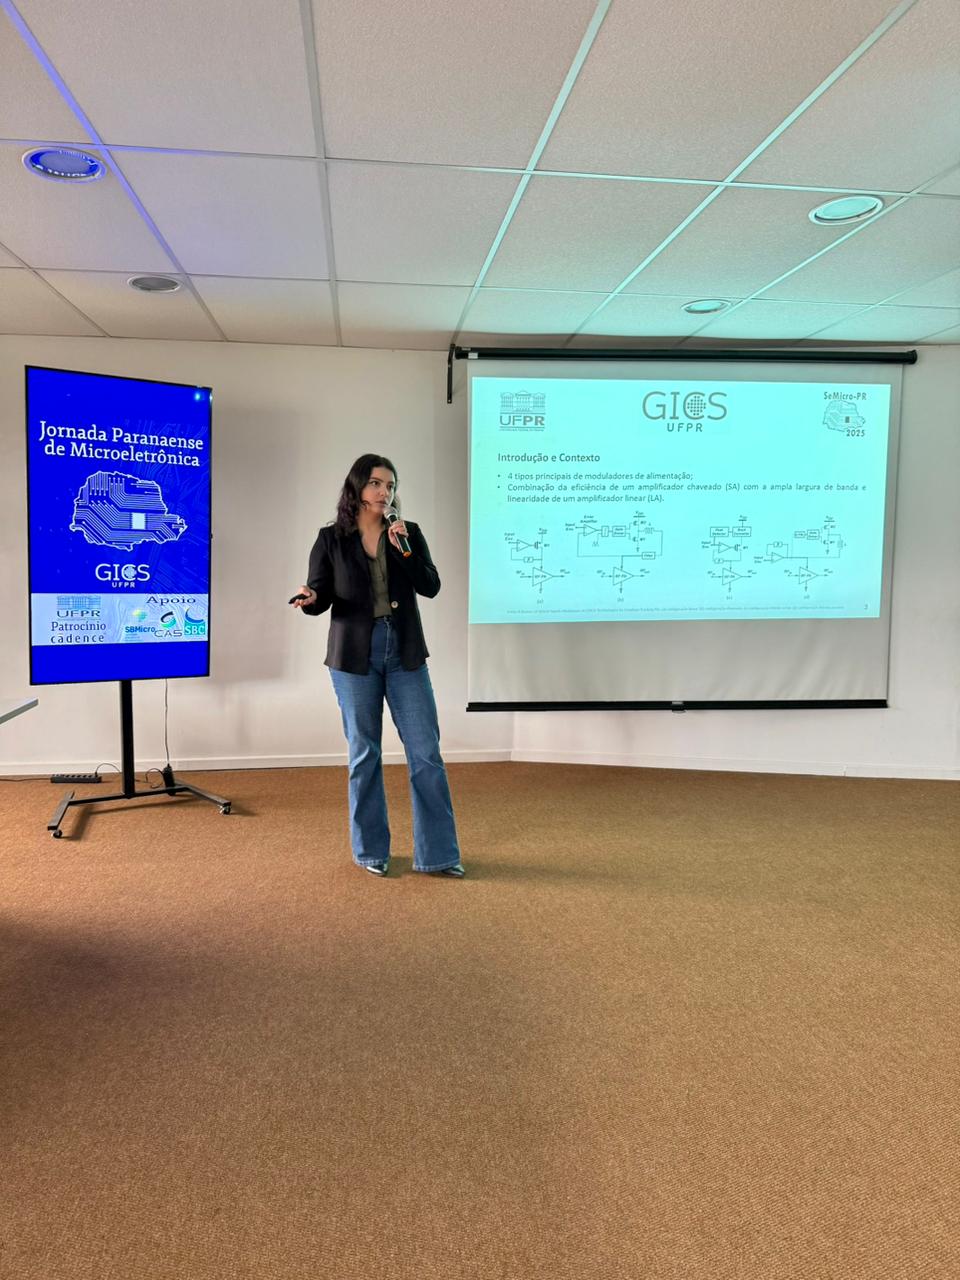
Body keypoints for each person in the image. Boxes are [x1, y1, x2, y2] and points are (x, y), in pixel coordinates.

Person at [290, 454, 464, 879]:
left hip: (405, 652)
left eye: (390, 485)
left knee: (425, 752)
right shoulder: (331, 538)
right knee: (364, 753)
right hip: (354, 657)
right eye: (376, 483)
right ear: (357, 487)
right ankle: (370, 851)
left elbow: (431, 586)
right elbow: (320, 593)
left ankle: (439, 855)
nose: (384, 492)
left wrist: (405, 550)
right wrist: (310, 599)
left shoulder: (408, 533)